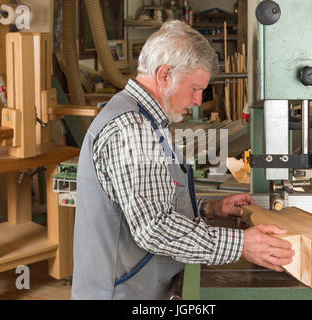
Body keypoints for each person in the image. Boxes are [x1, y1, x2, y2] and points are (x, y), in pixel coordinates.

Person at [71, 20, 294, 300]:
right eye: (195, 89)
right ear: (165, 75)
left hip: (143, 287)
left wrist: (209, 209)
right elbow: (153, 227)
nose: (199, 100)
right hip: (121, 293)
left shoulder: (149, 119)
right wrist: (241, 245)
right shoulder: (131, 128)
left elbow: (149, 199)